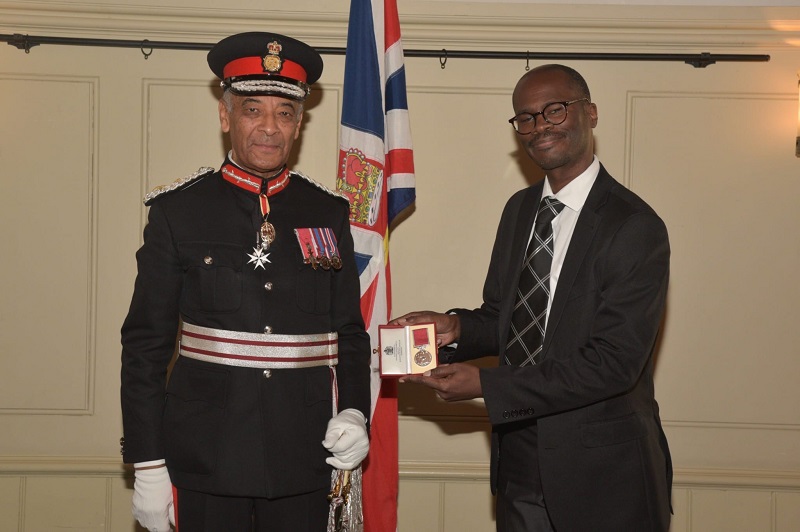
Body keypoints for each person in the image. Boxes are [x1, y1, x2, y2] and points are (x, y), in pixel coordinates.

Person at [392, 64, 672, 532]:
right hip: (518, 464)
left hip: (603, 478)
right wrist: (457, 327)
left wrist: (486, 387)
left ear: (591, 113)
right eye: (526, 117)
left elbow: (613, 364)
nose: (540, 126)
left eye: (554, 110)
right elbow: (507, 319)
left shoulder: (634, 226)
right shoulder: (520, 210)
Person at [120, 31, 371, 531]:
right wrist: (147, 462)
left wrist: (357, 413)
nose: (269, 128)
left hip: (306, 456)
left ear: (299, 124)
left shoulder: (328, 211)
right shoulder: (178, 213)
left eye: (284, 113)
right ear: (225, 115)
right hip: (206, 458)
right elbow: (146, 345)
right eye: (253, 110)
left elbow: (348, 333)